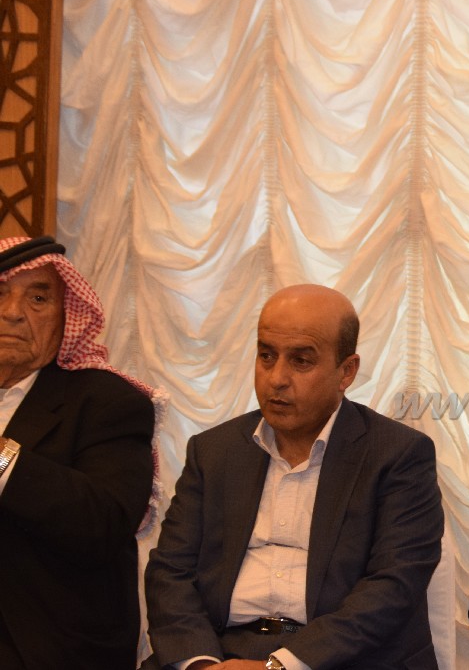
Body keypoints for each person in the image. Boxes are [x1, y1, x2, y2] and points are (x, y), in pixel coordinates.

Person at [144, 284, 443, 670]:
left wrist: (282, 666)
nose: (276, 378)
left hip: (343, 658)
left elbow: (393, 585)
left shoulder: (397, 454)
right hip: (220, 651)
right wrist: (201, 663)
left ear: (346, 371)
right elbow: (171, 571)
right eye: (266, 356)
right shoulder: (214, 451)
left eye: (301, 361)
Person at [0, 235, 164, 670]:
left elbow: (103, 524)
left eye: (38, 298)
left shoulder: (107, 402)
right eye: (0, 294)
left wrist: (1, 458)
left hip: (44, 646)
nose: (12, 312)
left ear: (67, 315)